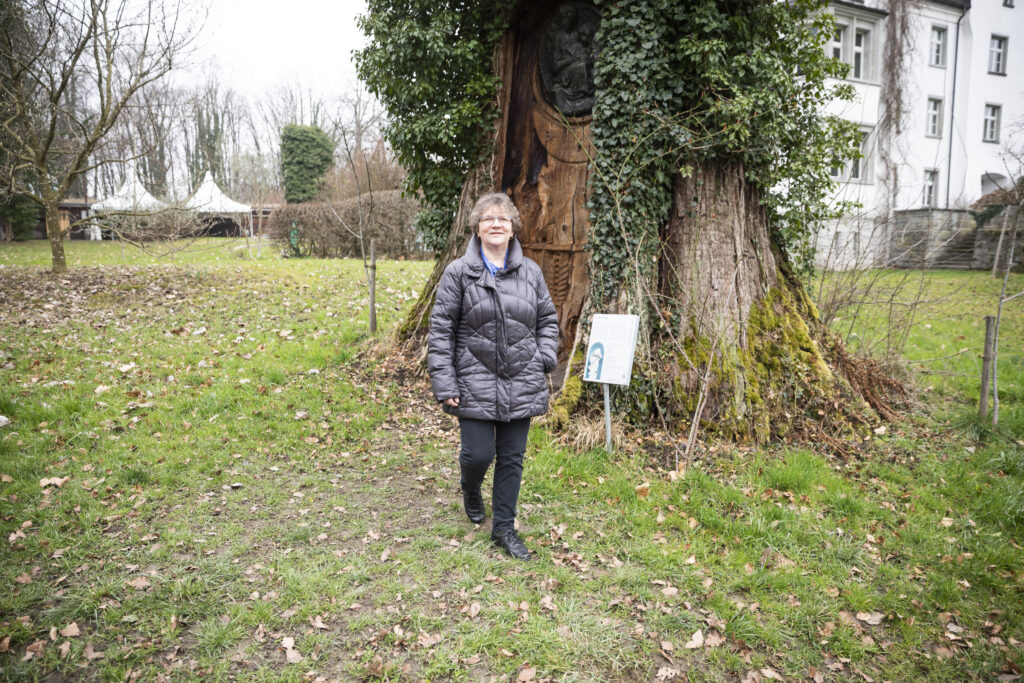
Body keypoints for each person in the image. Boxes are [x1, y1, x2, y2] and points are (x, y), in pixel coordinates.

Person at [428, 192, 559, 561]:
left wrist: (544, 357)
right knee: (477, 454)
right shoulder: (459, 273)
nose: (496, 224)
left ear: (514, 228)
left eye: (503, 218)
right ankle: (470, 488)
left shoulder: (530, 272)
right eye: (488, 218)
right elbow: (440, 331)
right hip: (473, 380)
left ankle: (503, 528)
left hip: (522, 380)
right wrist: (445, 382)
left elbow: (548, 319)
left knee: (512, 458)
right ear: (477, 228)